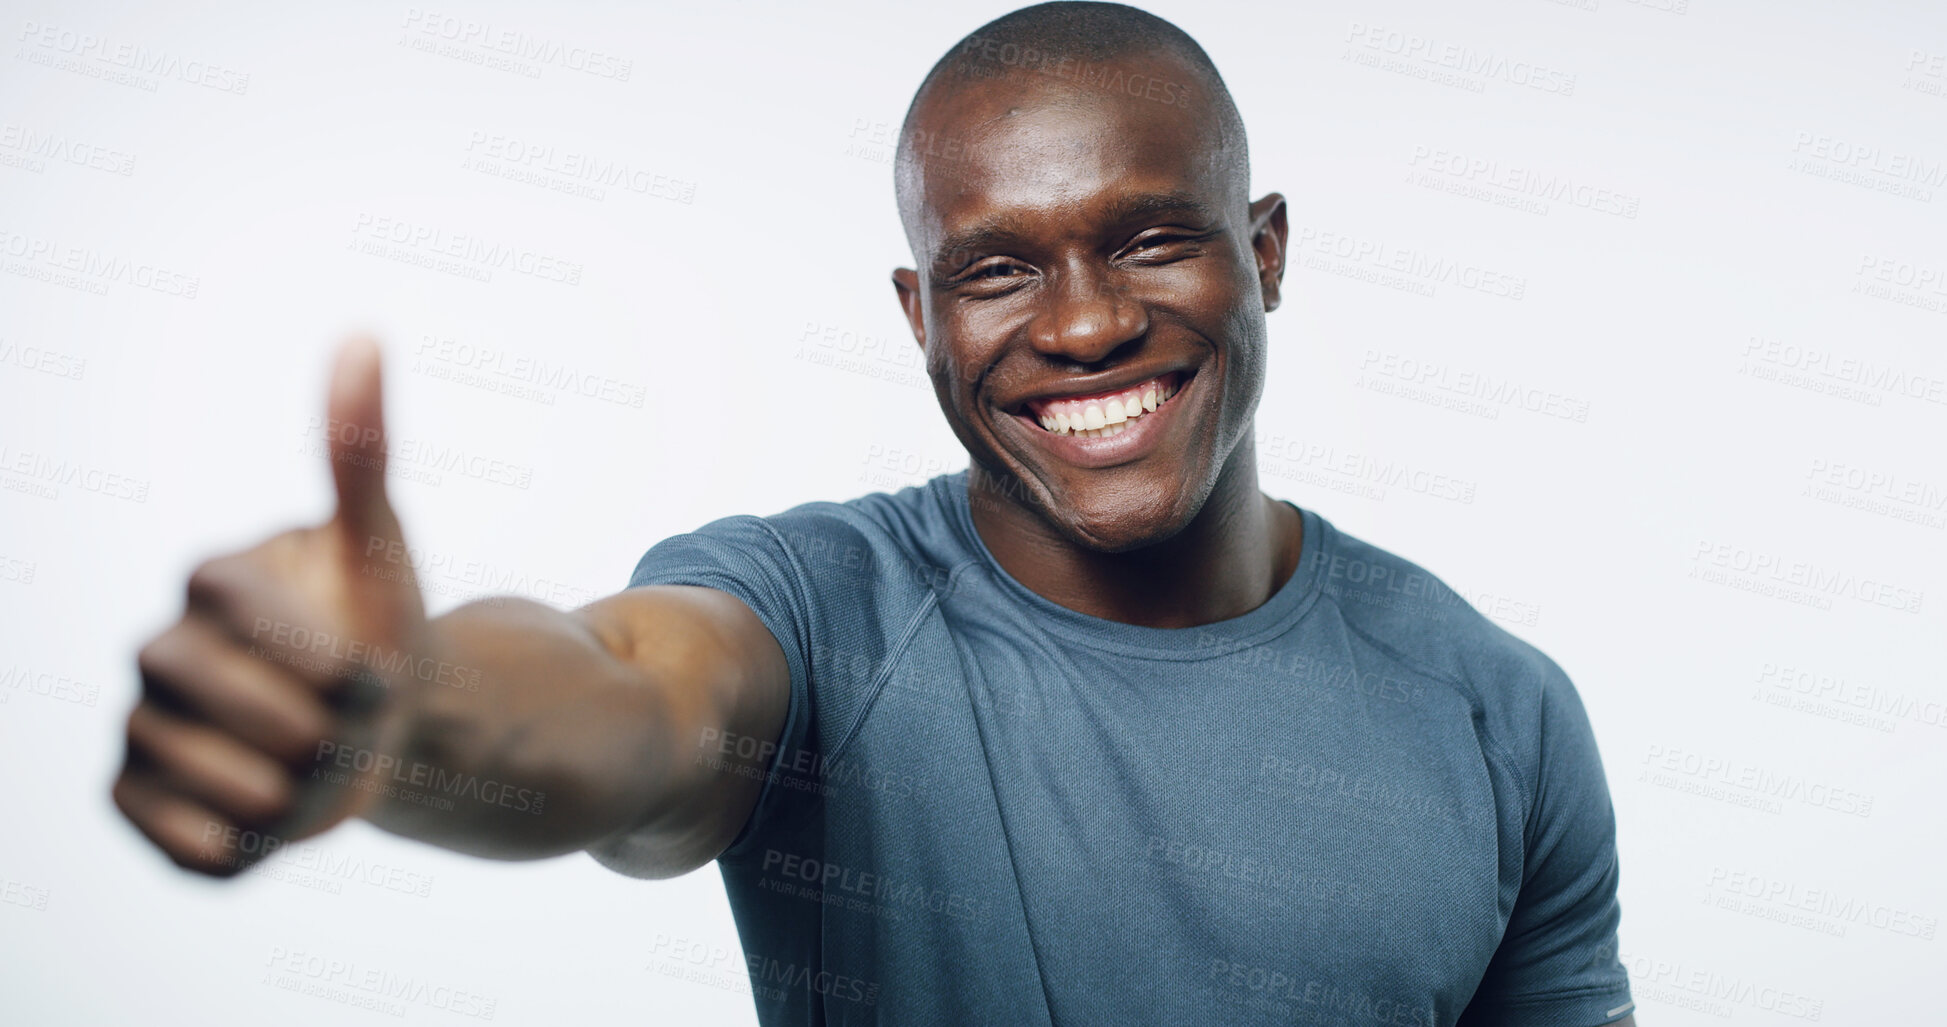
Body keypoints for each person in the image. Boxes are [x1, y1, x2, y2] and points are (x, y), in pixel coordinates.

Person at [112, 3, 1636, 1024]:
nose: (1088, 324)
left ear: (1269, 251)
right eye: (997, 269)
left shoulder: (1496, 709)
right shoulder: (817, 610)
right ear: (921, 313)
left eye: (1153, 240)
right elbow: (623, 710)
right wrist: (402, 714)